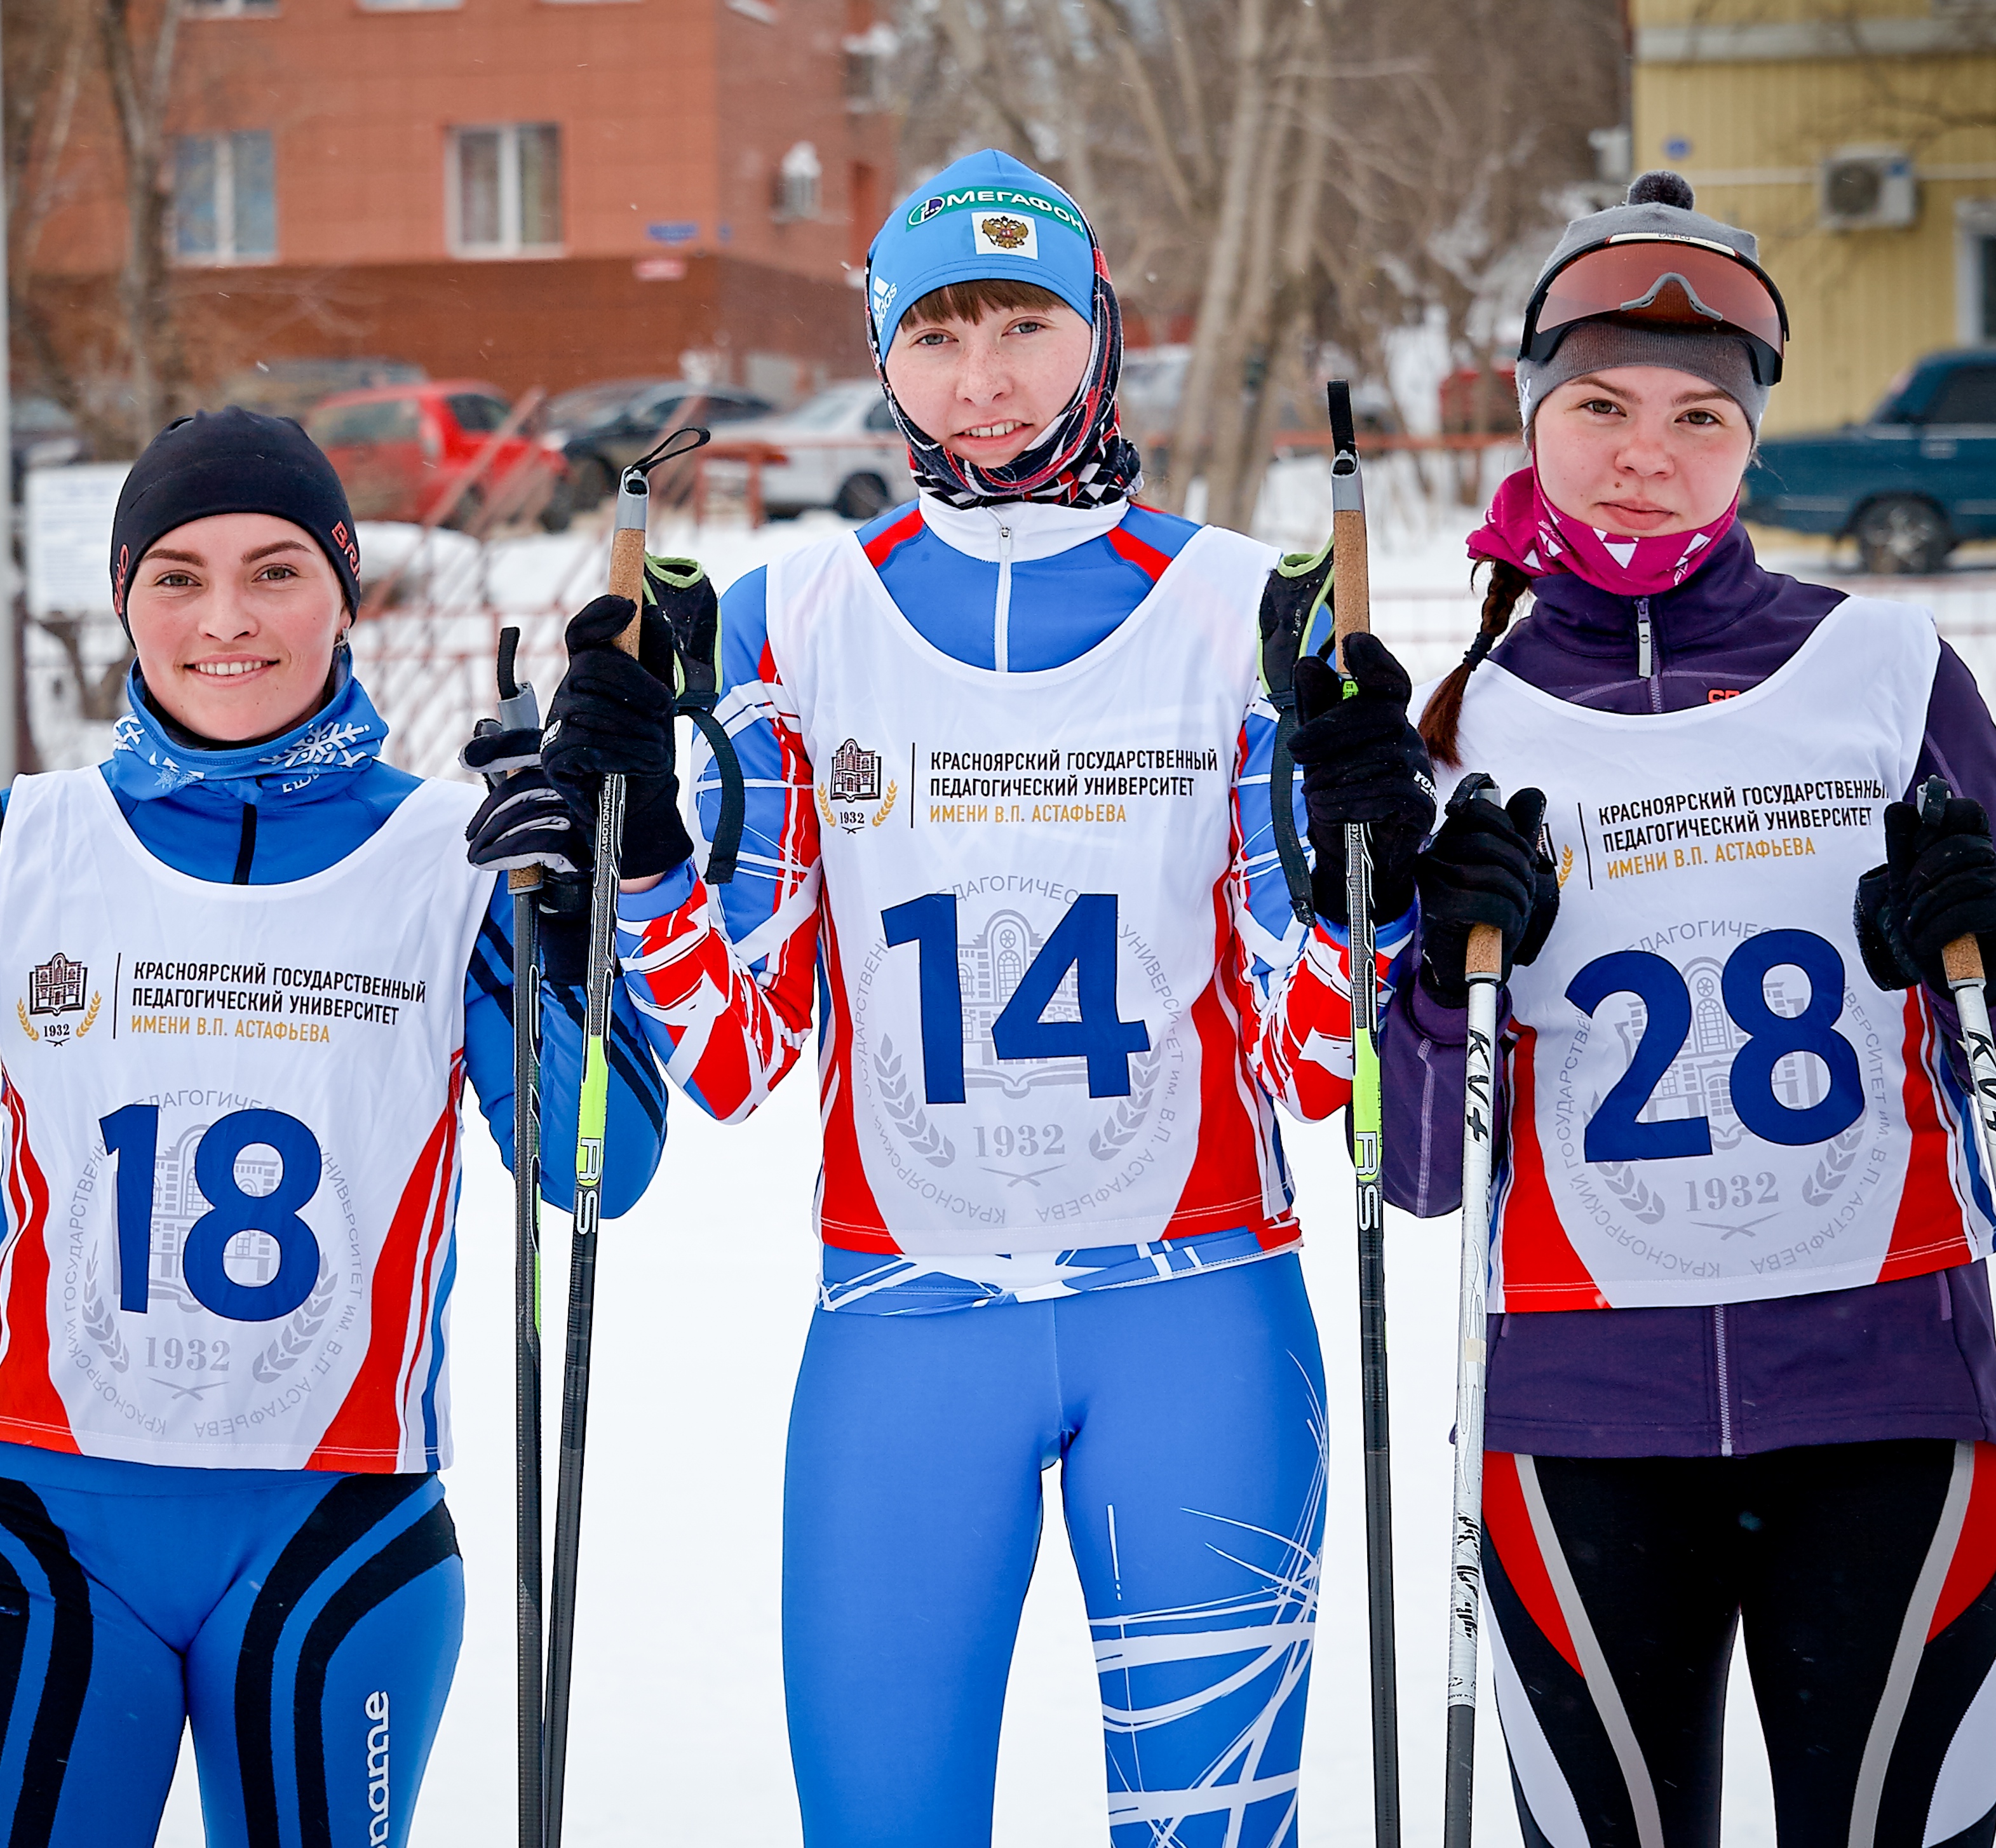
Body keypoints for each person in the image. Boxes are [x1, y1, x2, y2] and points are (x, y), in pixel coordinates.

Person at [531, 147, 1435, 1848]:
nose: (985, 375)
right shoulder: (792, 615)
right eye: (939, 331)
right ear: (884, 353)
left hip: (1202, 1317)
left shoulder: (1242, 609)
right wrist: (648, 868)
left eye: (1022, 323)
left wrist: (1364, 885)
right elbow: (741, 1054)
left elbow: (1316, 1065)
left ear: (1093, 331)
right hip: (904, 1321)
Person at [0, 408, 670, 1848]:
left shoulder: (460, 856)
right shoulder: (28, 841)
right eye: (176, 576)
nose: (226, 619)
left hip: (336, 1531)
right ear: (125, 598)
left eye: (275, 570)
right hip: (43, 1519)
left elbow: (599, 1168)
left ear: (345, 586)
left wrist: (567, 939)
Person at [1267, 175, 1996, 1848]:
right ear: (1529, 411)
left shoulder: (1887, 670)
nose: (1641, 451)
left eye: (1696, 416)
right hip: (1578, 1418)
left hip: (1881, 1397)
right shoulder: (1456, 724)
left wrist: (1980, 958)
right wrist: (1436, 976)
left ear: (1749, 445)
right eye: (1596, 403)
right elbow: (1416, 1165)